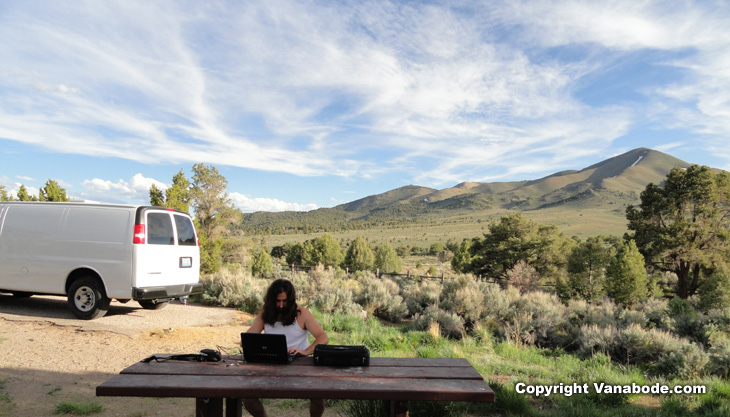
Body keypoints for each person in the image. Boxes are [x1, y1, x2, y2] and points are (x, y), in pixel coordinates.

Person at [243, 279, 329, 417]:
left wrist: (305, 351)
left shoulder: (302, 314)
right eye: (277, 301)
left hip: (300, 365)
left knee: (319, 397)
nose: (281, 305)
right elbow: (247, 339)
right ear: (271, 300)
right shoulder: (264, 316)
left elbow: (323, 337)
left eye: (285, 301)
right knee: (247, 397)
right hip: (270, 366)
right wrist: (249, 343)